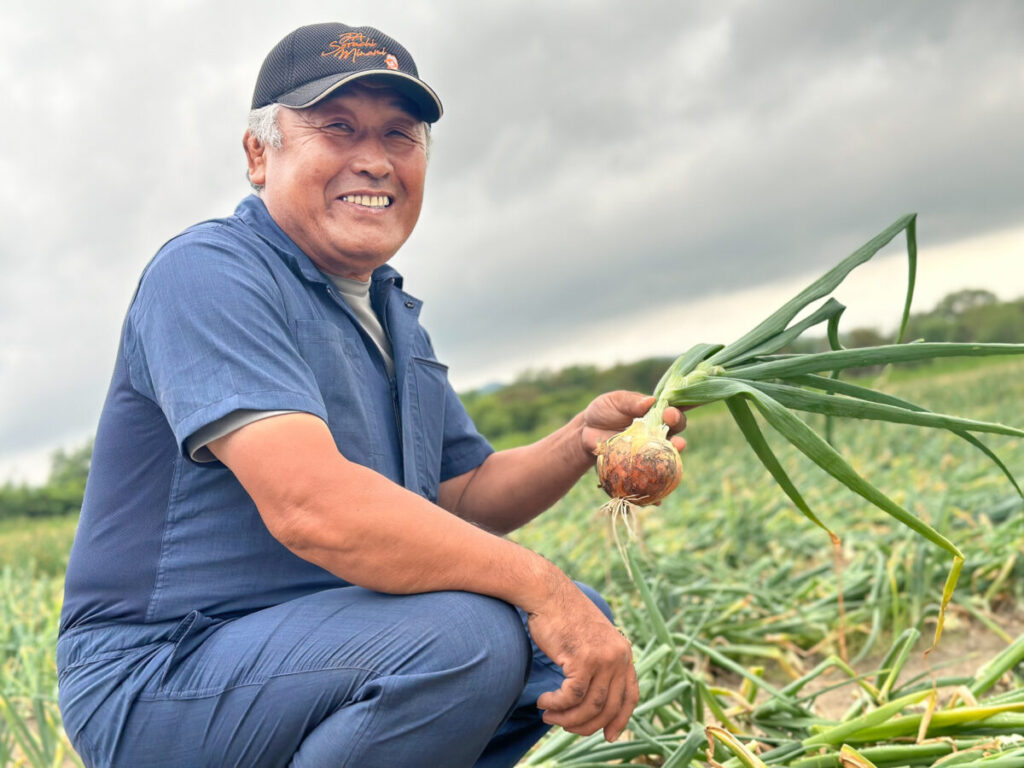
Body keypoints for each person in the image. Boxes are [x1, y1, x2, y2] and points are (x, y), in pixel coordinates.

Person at [57, 22, 685, 768]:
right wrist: (544, 590)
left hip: (308, 650)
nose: (375, 159)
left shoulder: (392, 316)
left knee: (547, 645)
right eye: (338, 128)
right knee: (470, 636)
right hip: (160, 674)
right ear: (260, 154)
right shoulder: (211, 274)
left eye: (399, 134)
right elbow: (311, 507)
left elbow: (460, 495)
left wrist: (579, 440)